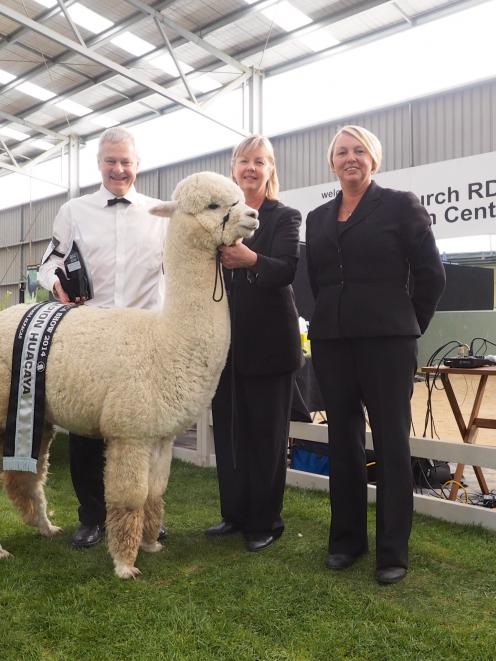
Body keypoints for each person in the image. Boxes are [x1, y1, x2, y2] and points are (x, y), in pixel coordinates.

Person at [305, 125, 446, 584]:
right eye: (342, 152)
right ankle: (346, 541)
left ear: (374, 159)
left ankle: (392, 552)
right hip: (332, 343)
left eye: (359, 151)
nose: (351, 158)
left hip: (387, 342)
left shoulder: (401, 205)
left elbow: (431, 276)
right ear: (332, 162)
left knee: (390, 442)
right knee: (342, 441)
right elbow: (317, 282)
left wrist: (408, 327)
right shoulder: (318, 218)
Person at [39, 127, 168, 548]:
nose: (118, 169)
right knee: (86, 430)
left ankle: (146, 516)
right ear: (99, 164)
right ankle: (92, 517)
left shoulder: (159, 213)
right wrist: (56, 286)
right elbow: (48, 264)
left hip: (145, 338)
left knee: (143, 434)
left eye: (125, 162)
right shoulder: (74, 210)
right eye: (111, 161)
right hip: (90, 335)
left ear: (137, 164)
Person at [206, 135, 303, 552]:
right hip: (224, 345)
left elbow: (286, 270)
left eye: (259, 162)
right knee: (229, 435)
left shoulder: (285, 216)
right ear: (233, 168)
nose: (250, 168)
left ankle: (265, 522)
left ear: (270, 170)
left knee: (266, 437)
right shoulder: (216, 218)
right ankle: (235, 514)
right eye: (244, 160)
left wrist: (251, 260)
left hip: (269, 344)